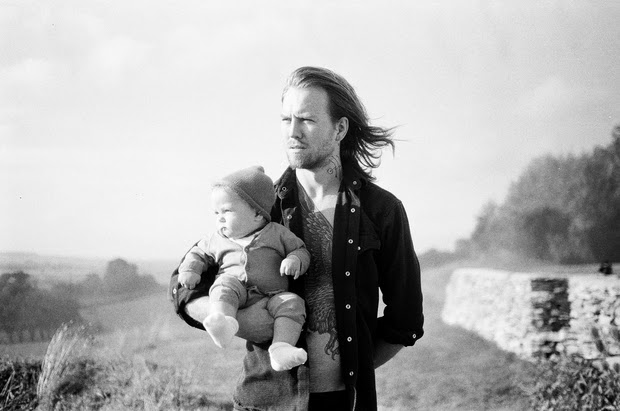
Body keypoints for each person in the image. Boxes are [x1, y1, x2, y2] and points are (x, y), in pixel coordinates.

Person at [169, 66, 424, 411]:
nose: (292, 132)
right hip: (264, 402)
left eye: (306, 120)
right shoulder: (260, 206)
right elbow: (183, 286)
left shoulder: (382, 211)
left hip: (344, 403)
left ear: (340, 129)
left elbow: (405, 321)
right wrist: (237, 321)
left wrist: (354, 365)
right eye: (285, 119)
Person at [177, 165, 311, 371]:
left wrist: (294, 260)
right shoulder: (216, 239)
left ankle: (281, 349)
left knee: (293, 304)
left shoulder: (276, 232)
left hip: (273, 296)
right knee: (224, 287)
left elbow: (300, 250)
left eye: (227, 211)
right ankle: (222, 322)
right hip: (236, 289)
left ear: (258, 213)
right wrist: (191, 270)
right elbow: (197, 253)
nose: (219, 218)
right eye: (216, 212)